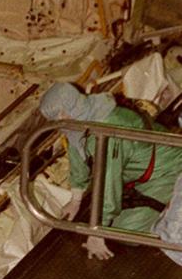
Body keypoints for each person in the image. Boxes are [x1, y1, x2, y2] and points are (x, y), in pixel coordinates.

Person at [39, 81, 182, 260]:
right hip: (144, 177)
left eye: (55, 118)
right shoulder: (86, 114)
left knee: (126, 231)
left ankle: (175, 212)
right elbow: (78, 155)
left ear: (63, 112)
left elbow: (108, 180)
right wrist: (75, 199)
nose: (57, 123)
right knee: (114, 222)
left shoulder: (106, 130)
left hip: (170, 171)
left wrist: (98, 231)